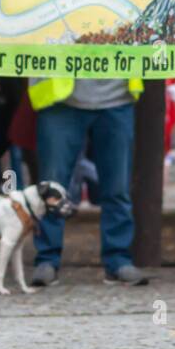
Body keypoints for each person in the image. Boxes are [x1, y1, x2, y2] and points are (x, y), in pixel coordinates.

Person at [26, 78, 148, 287]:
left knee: (117, 188)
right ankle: (47, 259)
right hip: (61, 98)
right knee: (51, 189)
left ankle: (117, 260)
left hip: (116, 98)